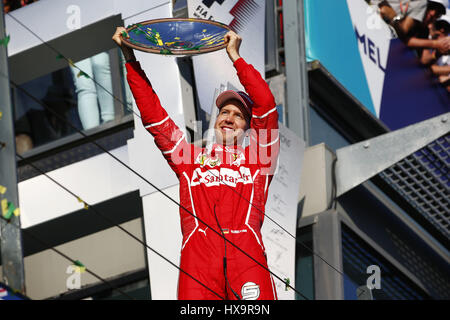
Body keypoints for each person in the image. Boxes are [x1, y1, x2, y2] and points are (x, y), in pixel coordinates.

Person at [112, 26, 279, 300]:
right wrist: (130, 58)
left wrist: (235, 57)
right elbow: (155, 118)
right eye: (224, 111)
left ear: (248, 128)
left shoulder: (259, 160)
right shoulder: (189, 160)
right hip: (198, 258)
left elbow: (267, 105)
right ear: (215, 120)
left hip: (246, 255)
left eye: (238, 115)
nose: (228, 118)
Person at [372, 0, 450, 56]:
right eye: (432, 7)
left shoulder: (423, 29)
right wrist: (436, 44)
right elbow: (404, 35)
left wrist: (440, 51)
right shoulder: (421, 3)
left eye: (438, 14)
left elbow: (423, 59)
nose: (433, 13)